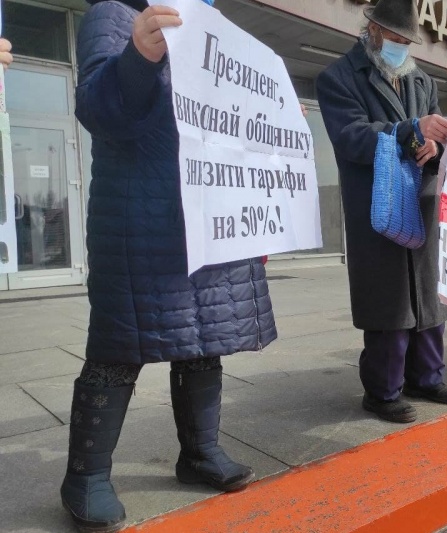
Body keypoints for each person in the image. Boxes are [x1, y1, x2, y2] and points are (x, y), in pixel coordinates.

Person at [61, 2, 278, 531]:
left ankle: (199, 453)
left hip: (208, 215)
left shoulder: (209, 23)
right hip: (141, 216)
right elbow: (97, 109)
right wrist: (137, 56)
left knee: (203, 344)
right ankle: (85, 475)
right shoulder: (113, 15)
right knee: (118, 347)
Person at [316, 0, 447, 423]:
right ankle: (383, 390)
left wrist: (432, 146)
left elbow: (433, 137)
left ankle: (428, 376)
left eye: (408, 42)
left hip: (421, 197)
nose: (402, 48)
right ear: (374, 31)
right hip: (376, 202)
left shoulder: (421, 79)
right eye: (396, 39)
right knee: (389, 297)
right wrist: (407, 131)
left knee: (427, 292)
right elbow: (350, 137)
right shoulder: (338, 77)